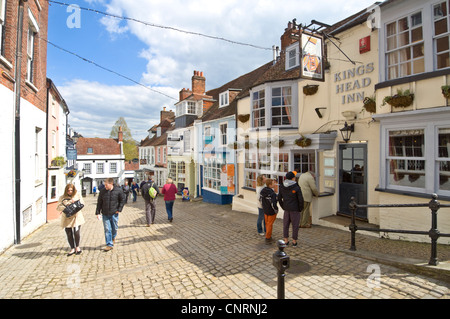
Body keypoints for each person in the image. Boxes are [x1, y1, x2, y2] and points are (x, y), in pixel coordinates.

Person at [96, 178, 126, 251]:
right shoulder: (102, 192)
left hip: (114, 213)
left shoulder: (118, 190)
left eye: (106, 185)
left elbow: (122, 200)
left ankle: (113, 237)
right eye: (104, 185)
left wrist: (119, 209)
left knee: (114, 228)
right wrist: (97, 212)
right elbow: (99, 202)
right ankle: (109, 244)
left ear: (111, 184)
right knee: (107, 229)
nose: (105, 187)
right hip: (105, 213)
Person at [57, 183, 85, 256]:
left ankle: (77, 247)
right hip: (67, 218)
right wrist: (67, 205)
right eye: (68, 190)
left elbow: (82, 203)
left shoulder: (77, 195)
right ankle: (72, 248)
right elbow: (58, 207)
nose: (70, 192)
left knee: (76, 232)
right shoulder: (62, 197)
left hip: (76, 217)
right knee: (69, 233)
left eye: (71, 190)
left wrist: (75, 202)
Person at [278, 171, 304, 247]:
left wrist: (283, 206)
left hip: (286, 208)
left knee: (285, 225)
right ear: (293, 178)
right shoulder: (296, 187)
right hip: (295, 209)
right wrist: (300, 208)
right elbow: (300, 199)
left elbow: (279, 198)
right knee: (295, 225)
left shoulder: (282, 186)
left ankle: (286, 240)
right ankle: (294, 241)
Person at [260, 178, 279, 244]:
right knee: (269, 224)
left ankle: (268, 236)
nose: (275, 184)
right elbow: (273, 203)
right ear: (270, 185)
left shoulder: (263, 191)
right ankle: (268, 237)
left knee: (267, 223)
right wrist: (276, 210)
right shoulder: (272, 193)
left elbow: (261, 200)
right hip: (271, 211)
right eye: (273, 183)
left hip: (265, 210)